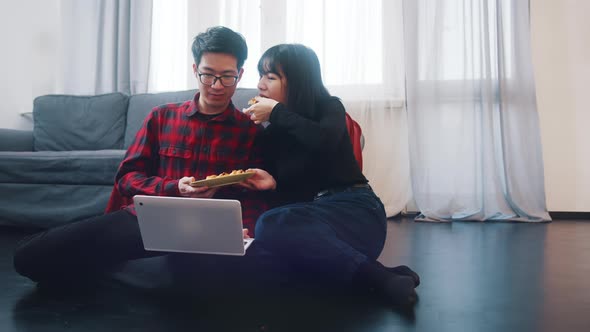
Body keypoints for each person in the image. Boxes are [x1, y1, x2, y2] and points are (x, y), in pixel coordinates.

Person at [13, 26, 266, 285]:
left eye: (227, 77)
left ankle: (128, 269)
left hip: (210, 231)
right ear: (194, 70)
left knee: (217, 284)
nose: (216, 86)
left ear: (240, 74)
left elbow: (257, 195)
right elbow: (127, 178)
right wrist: (174, 187)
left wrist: (244, 228)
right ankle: (124, 268)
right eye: (208, 75)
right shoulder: (161, 116)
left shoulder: (250, 130)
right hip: (150, 221)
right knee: (28, 257)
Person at [241, 44, 420, 306]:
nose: (260, 85)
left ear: (298, 80)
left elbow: (324, 141)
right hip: (320, 230)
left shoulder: (328, 108)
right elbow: (293, 206)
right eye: (260, 76)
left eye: (270, 77)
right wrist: (274, 184)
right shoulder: (271, 136)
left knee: (273, 230)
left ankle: (382, 281)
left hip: (357, 213)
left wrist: (277, 113)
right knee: (268, 241)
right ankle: (380, 273)